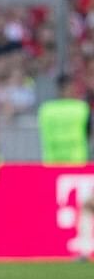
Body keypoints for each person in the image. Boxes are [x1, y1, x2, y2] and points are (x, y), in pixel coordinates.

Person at [38, 75, 93, 261]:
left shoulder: (48, 110)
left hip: (66, 162)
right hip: (75, 163)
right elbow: (88, 133)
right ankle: (82, 248)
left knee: (84, 206)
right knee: (85, 206)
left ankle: (82, 247)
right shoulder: (81, 108)